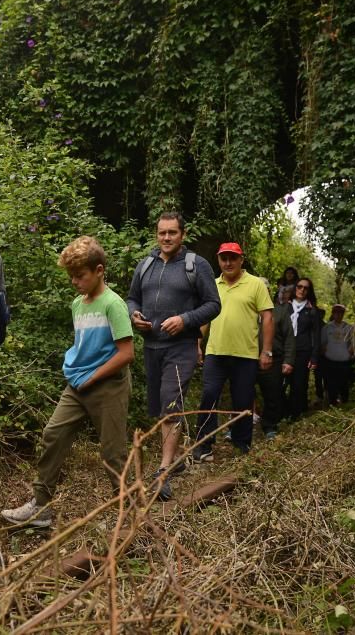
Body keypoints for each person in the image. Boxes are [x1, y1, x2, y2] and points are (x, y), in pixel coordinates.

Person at [1, 237, 133, 528]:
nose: (74, 281)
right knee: (53, 434)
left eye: (80, 276)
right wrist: (78, 374)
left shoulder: (114, 304)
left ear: (99, 270)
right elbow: (86, 345)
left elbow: (126, 353)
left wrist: (92, 378)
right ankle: (41, 508)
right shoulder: (77, 304)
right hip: (77, 385)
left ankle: (128, 514)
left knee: (113, 452)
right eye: (71, 276)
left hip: (108, 386)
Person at [127, 212, 220, 500]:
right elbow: (132, 297)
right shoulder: (146, 265)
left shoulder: (196, 265)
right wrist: (134, 314)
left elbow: (213, 304)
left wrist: (185, 319)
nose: (166, 238)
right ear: (157, 234)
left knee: (171, 405)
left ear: (183, 234)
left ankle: (164, 472)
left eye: (172, 233)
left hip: (181, 347)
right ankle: (176, 458)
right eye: (162, 233)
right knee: (158, 409)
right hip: (152, 346)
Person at [193, 243, 274, 459]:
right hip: (215, 352)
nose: (228, 263)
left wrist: (266, 351)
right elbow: (204, 317)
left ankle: (241, 444)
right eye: (224, 258)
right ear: (218, 260)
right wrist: (197, 344)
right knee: (209, 395)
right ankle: (204, 445)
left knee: (243, 400)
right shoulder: (212, 285)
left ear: (241, 260)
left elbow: (267, 317)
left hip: (245, 354)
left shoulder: (256, 284)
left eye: (232, 258)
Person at [254, 279, 296, 440]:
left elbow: (290, 338)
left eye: (264, 288)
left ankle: (270, 425)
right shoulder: (248, 309)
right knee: (242, 393)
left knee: (273, 393)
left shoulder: (279, 311)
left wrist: (288, 360)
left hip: (273, 359)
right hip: (247, 358)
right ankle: (238, 426)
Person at [287, 277, 322, 420]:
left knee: (299, 384)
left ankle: (295, 415)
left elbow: (317, 335)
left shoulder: (312, 311)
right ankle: (283, 411)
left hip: (303, 351)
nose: (302, 290)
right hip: (285, 350)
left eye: (305, 288)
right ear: (295, 288)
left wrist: (314, 357)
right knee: (280, 383)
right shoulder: (286, 307)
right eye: (299, 286)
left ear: (309, 291)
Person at [321, 303, 355, 405]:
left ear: (343, 314)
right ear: (333, 313)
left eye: (341, 312)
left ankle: (345, 402)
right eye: (336, 312)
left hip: (345, 361)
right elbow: (322, 344)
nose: (338, 315)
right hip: (331, 360)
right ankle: (332, 402)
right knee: (331, 383)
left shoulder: (349, 328)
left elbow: (353, 344)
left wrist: (351, 351)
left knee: (344, 383)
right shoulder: (327, 328)